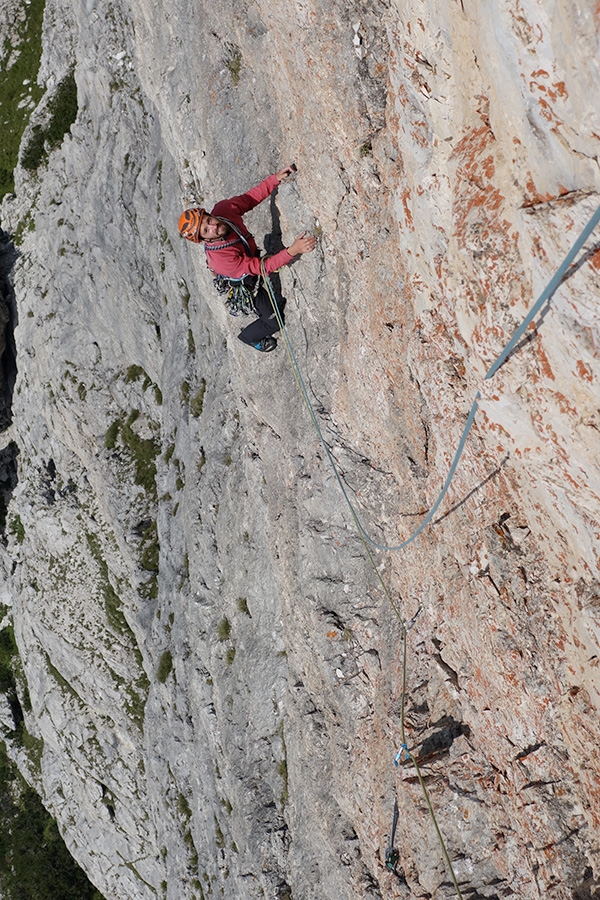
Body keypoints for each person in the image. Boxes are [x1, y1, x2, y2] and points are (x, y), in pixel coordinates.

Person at [178, 166, 316, 352]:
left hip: (248, 260)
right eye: (205, 230)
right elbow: (262, 268)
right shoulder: (222, 259)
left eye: (208, 220)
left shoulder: (223, 210)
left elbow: (249, 199)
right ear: (203, 239)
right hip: (245, 282)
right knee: (274, 321)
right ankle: (249, 337)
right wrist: (293, 250)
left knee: (275, 300)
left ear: (209, 214)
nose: (213, 226)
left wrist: (274, 179)